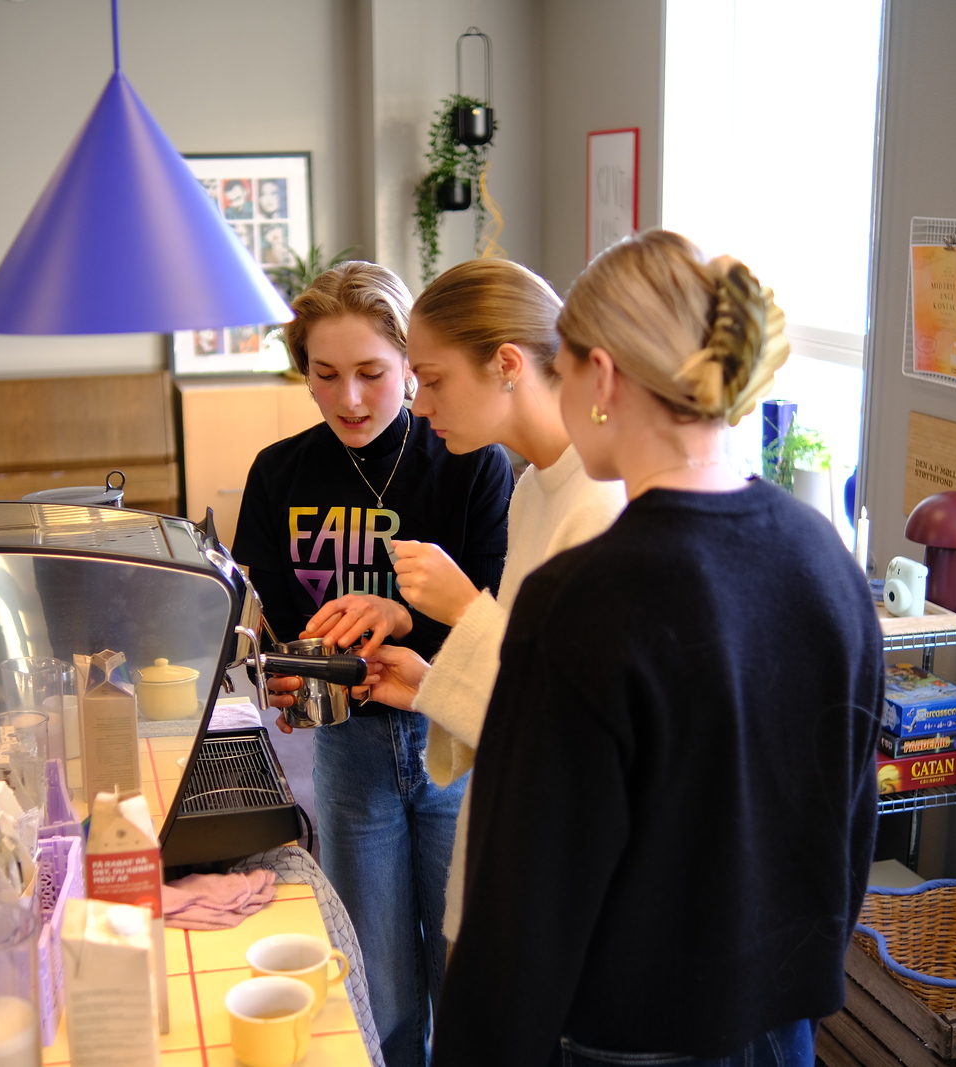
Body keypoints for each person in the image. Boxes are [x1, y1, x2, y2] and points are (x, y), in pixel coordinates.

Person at [431, 231, 882, 1067]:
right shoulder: (825, 557)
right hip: (783, 1026)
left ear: (601, 376)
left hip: (632, 1039)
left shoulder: (582, 597)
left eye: (564, 369)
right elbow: (852, 822)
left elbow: (527, 891)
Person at [230, 260, 513, 1067]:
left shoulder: (471, 461)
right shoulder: (278, 472)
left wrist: (405, 615)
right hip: (346, 749)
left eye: (372, 373)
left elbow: (500, 619)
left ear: (410, 365)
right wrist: (281, 672)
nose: (349, 398)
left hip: (451, 739)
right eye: (325, 375)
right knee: (375, 990)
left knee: (467, 982)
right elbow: (263, 621)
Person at [357, 258, 627, 947]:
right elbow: (525, 682)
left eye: (433, 380)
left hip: (577, 873)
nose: (420, 406)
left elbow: (581, 729)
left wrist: (462, 608)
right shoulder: (533, 487)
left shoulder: (601, 501)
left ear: (507, 363)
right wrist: (430, 684)